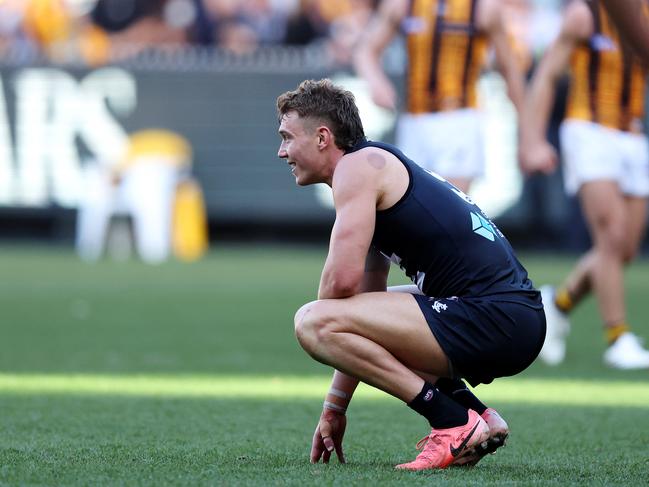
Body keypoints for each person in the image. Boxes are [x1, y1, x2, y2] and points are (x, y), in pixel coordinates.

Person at [277, 79, 545, 470]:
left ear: (322, 137)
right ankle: (479, 417)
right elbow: (360, 312)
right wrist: (335, 406)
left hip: (494, 315)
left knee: (309, 320)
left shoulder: (357, 168)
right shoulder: (372, 167)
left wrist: (325, 317)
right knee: (329, 317)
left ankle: (452, 421)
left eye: (286, 137)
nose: (281, 151)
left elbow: (336, 291)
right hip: (510, 317)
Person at [519, 0, 649, 369]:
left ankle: (557, 306)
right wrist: (532, 140)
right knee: (610, 235)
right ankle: (618, 337)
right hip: (588, 128)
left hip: (633, 133)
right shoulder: (585, 14)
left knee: (623, 248)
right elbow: (545, 77)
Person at [354, 0, 525, 194]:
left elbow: (510, 67)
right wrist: (376, 82)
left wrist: (527, 134)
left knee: (452, 207)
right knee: (411, 208)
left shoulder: (482, 7)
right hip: (414, 120)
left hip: (460, 120)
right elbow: (365, 51)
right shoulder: (403, 5)